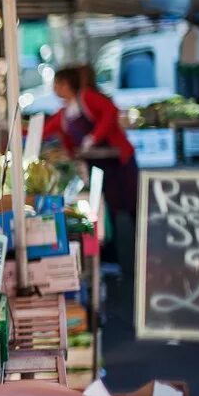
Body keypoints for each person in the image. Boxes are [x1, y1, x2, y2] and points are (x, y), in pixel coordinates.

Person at [42, 65, 139, 264]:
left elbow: (110, 112)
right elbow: (46, 133)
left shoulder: (86, 98)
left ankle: (147, 252)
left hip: (120, 163)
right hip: (99, 169)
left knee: (134, 208)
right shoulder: (64, 114)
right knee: (108, 214)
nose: (55, 89)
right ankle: (114, 261)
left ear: (66, 84)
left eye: (57, 84)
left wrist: (93, 137)